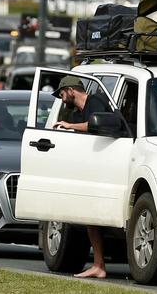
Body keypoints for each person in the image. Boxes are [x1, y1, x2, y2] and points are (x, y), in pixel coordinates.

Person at [51, 75, 110, 279]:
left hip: (108, 168)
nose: (60, 97)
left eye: (61, 93)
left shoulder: (96, 101)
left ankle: (99, 264)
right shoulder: (76, 113)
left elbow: (96, 125)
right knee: (90, 220)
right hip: (91, 170)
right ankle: (98, 265)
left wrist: (68, 126)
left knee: (94, 219)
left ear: (71, 90)